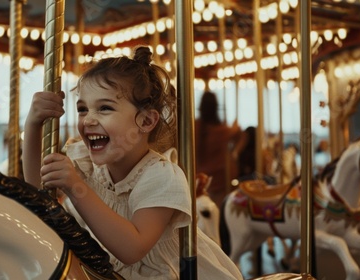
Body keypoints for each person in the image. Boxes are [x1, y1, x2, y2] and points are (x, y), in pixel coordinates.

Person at [23, 46, 242, 279]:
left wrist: (76, 187)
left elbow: (132, 248)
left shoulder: (161, 176)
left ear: (146, 121)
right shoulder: (88, 164)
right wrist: (33, 125)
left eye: (105, 108)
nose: (88, 120)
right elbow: (39, 189)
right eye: (83, 109)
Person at [195, 91, 242, 208]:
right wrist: (234, 153)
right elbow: (239, 134)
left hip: (199, 179)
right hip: (220, 182)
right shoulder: (221, 130)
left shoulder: (194, 127)